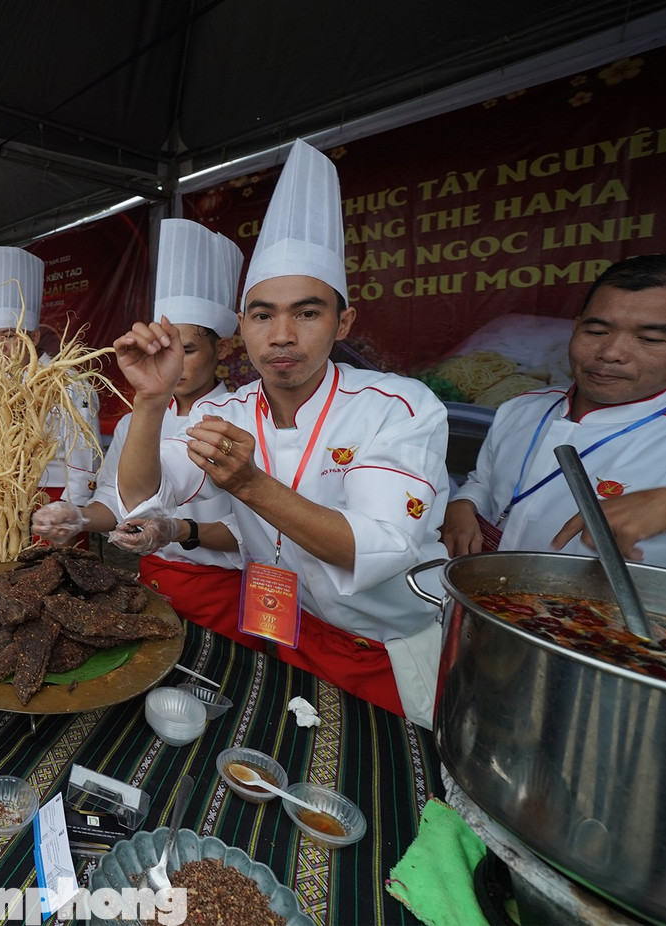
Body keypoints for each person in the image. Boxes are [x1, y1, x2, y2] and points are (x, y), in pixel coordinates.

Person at [112, 140, 449, 726]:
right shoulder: (233, 410)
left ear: (343, 322)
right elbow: (142, 501)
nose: (282, 335)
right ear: (242, 326)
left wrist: (250, 485)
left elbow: (375, 547)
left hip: (384, 646)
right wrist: (150, 400)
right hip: (283, 627)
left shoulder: (397, 407)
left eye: (308, 313)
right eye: (263, 314)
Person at [441, 254, 666, 581]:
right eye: (596, 330)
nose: (610, 353)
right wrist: (464, 504)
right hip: (485, 595)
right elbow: (484, 481)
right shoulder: (523, 407)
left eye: (650, 339)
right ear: (576, 326)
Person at [35, 219, 253, 644]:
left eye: (189, 350)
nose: (175, 365)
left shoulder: (243, 418)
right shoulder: (137, 421)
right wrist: (79, 518)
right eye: (165, 350)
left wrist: (177, 529)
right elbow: (116, 504)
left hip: (223, 594)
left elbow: (258, 532)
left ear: (224, 347)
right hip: (151, 584)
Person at [0, 245, 101, 511]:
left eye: (10, 335)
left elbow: (84, 456)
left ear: (34, 337)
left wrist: (70, 509)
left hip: (55, 495)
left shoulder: (69, 383)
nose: (0, 347)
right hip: (8, 495)